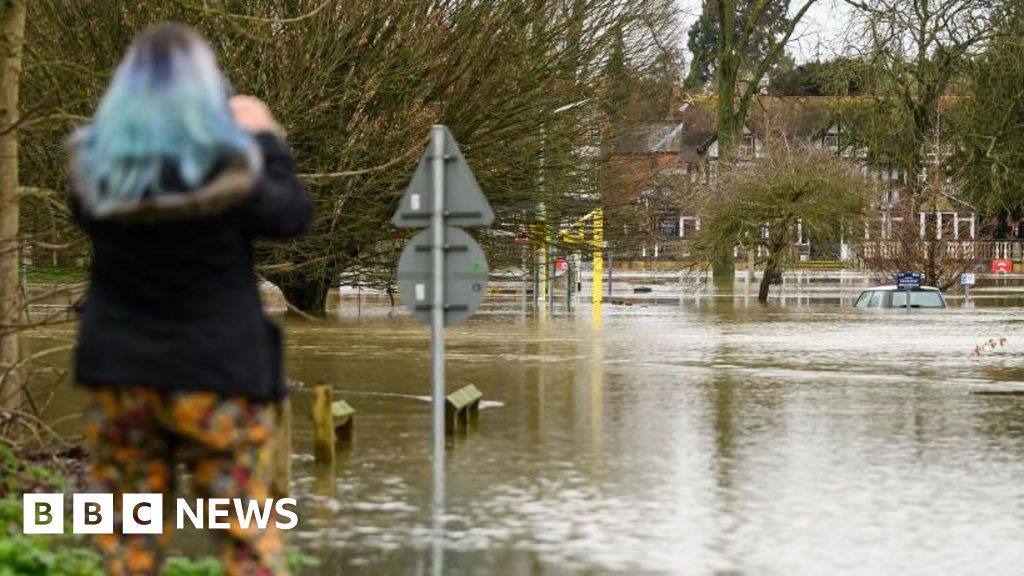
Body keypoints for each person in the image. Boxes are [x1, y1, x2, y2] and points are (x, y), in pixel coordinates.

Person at [67, 23, 312, 576]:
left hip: (121, 378)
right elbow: (291, 216)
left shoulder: (97, 177)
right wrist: (266, 138)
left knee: (128, 545)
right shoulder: (233, 172)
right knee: (245, 539)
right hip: (218, 377)